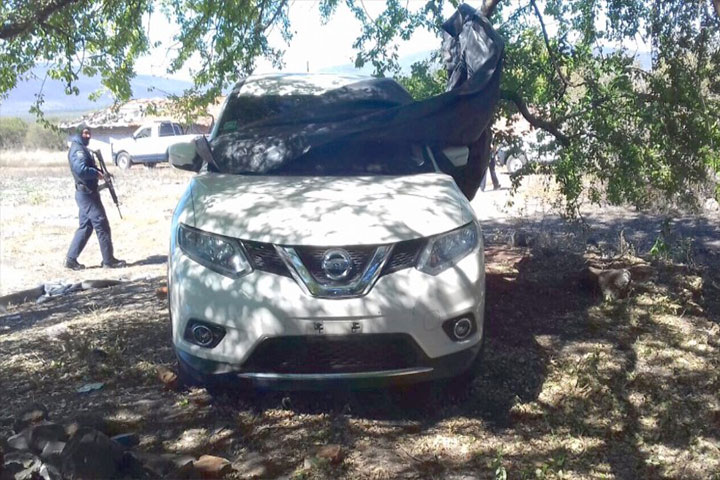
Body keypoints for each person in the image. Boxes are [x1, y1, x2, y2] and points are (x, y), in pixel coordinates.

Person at [64, 127, 126, 270]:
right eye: (85, 133)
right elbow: (81, 170)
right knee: (101, 223)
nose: (88, 136)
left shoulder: (81, 148)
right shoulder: (78, 150)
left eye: (89, 133)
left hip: (87, 193)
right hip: (87, 195)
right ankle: (108, 261)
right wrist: (96, 173)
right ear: (79, 134)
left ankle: (70, 260)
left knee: (86, 227)